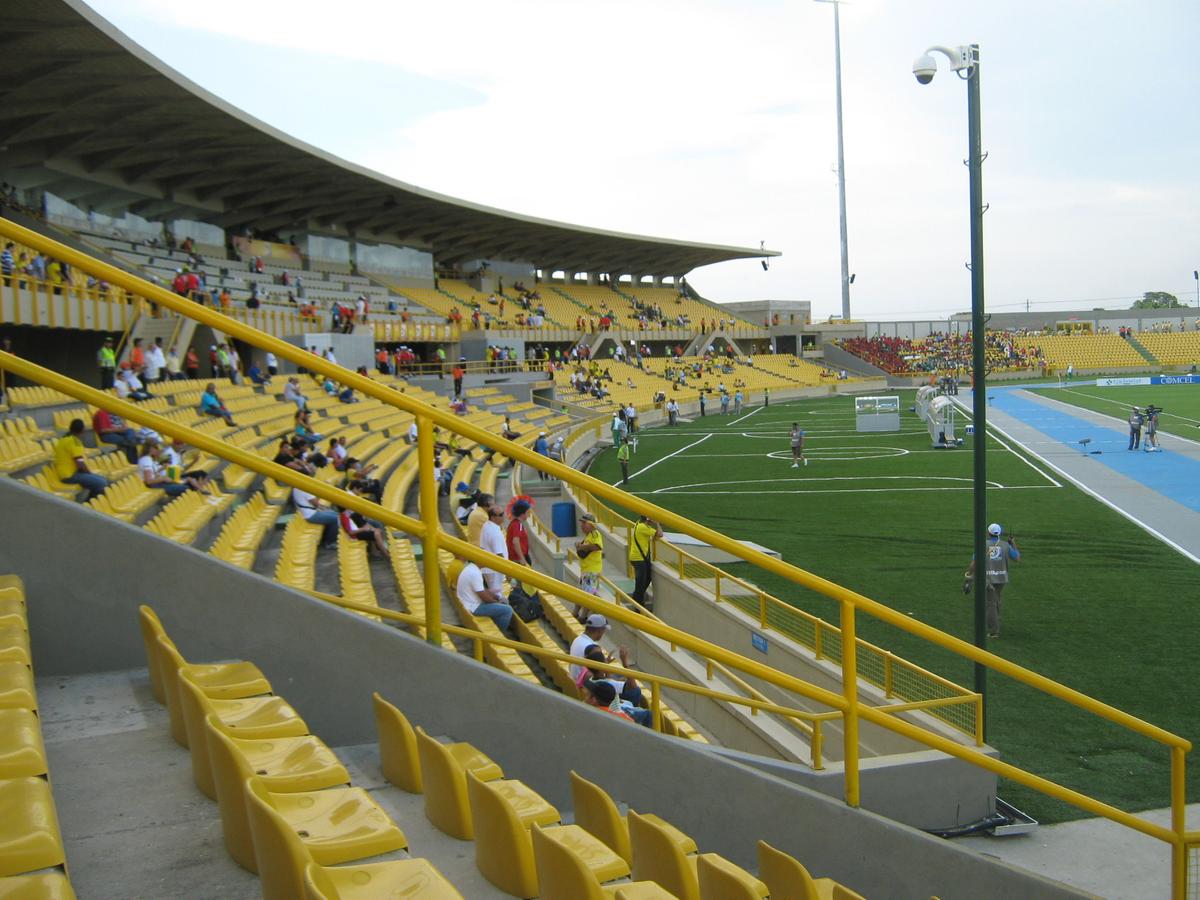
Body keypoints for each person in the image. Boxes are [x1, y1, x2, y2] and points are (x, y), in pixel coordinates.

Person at [964, 523, 1020, 639]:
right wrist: (1013, 543)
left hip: (988, 579)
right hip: (1002, 578)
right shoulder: (1005, 545)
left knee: (990, 604)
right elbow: (1017, 558)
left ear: (988, 533)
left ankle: (993, 630)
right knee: (996, 600)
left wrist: (969, 575)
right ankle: (995, 622)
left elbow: (974, 563)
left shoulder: (983, 545)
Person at [54, 419, 107, 500]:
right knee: (101, 483)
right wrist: (89, 474)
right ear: (82, 431)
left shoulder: (62, 440)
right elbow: (80, 463)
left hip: (64, 473)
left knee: (101, 479)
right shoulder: (75, 441)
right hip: (70, 475)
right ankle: (89, 503)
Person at [456, 559, 513, 632]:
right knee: (507, 610)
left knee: (502, 603)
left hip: (469, 603)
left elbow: (482, 590)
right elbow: (484, 597)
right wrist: (497, 602)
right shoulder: (474, 573)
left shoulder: (471, 568)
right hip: (473, 607)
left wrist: (498, 597)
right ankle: (500, 633)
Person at [574, 513, 604, 620]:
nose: (582, 525)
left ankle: (583, 616)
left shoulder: (595, 534)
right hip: (586, 570)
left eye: (584, 523)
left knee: (588, 594)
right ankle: (576, 613)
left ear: (591, 525)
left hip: (591, 571)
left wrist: (582, 547)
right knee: (582, 593)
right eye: (581, 523)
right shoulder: (588, 536)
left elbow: (597, 546)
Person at [629, 515, 663, 609]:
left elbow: (652, 536)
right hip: (639, 559)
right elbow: (660, 534)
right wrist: (657, 523)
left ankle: (637, 597)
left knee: (647, 578)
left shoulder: (638, 524)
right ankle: (638, 605)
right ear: (648, 519)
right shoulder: (643, 527)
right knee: (640, 584)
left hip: (638, 558)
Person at [292, 483, 339, 548]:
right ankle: (329, 543)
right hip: (311, 515)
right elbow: (316, 504)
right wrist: (320, 491)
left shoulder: (296, 488)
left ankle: (326, 538)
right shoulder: (305, 489)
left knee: (335, 514)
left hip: (308, 513)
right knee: (336, 519)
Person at [569, 614, 611, 681]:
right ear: (600, 630)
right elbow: (600, 676)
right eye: (604, 630)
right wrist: (606, 666)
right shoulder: (594, 648)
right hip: (584, 684)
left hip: (574, 680)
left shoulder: (577, 639)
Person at [479, 504, 509, 593]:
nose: (503, 516)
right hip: (494, 570)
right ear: (493, 517)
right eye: (501, 515)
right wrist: (508, 572)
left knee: (494, 592)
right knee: (496, 594)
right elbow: (499, 554)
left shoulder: (487, 525)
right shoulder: (494, 532)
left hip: (489, 568)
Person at [506, 500, 532, 568]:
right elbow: (515, 541)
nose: (529, 515)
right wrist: (522, 558)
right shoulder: (518, 525)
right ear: (522, 514)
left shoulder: (514, 523)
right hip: (517, 559)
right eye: (528, 512)